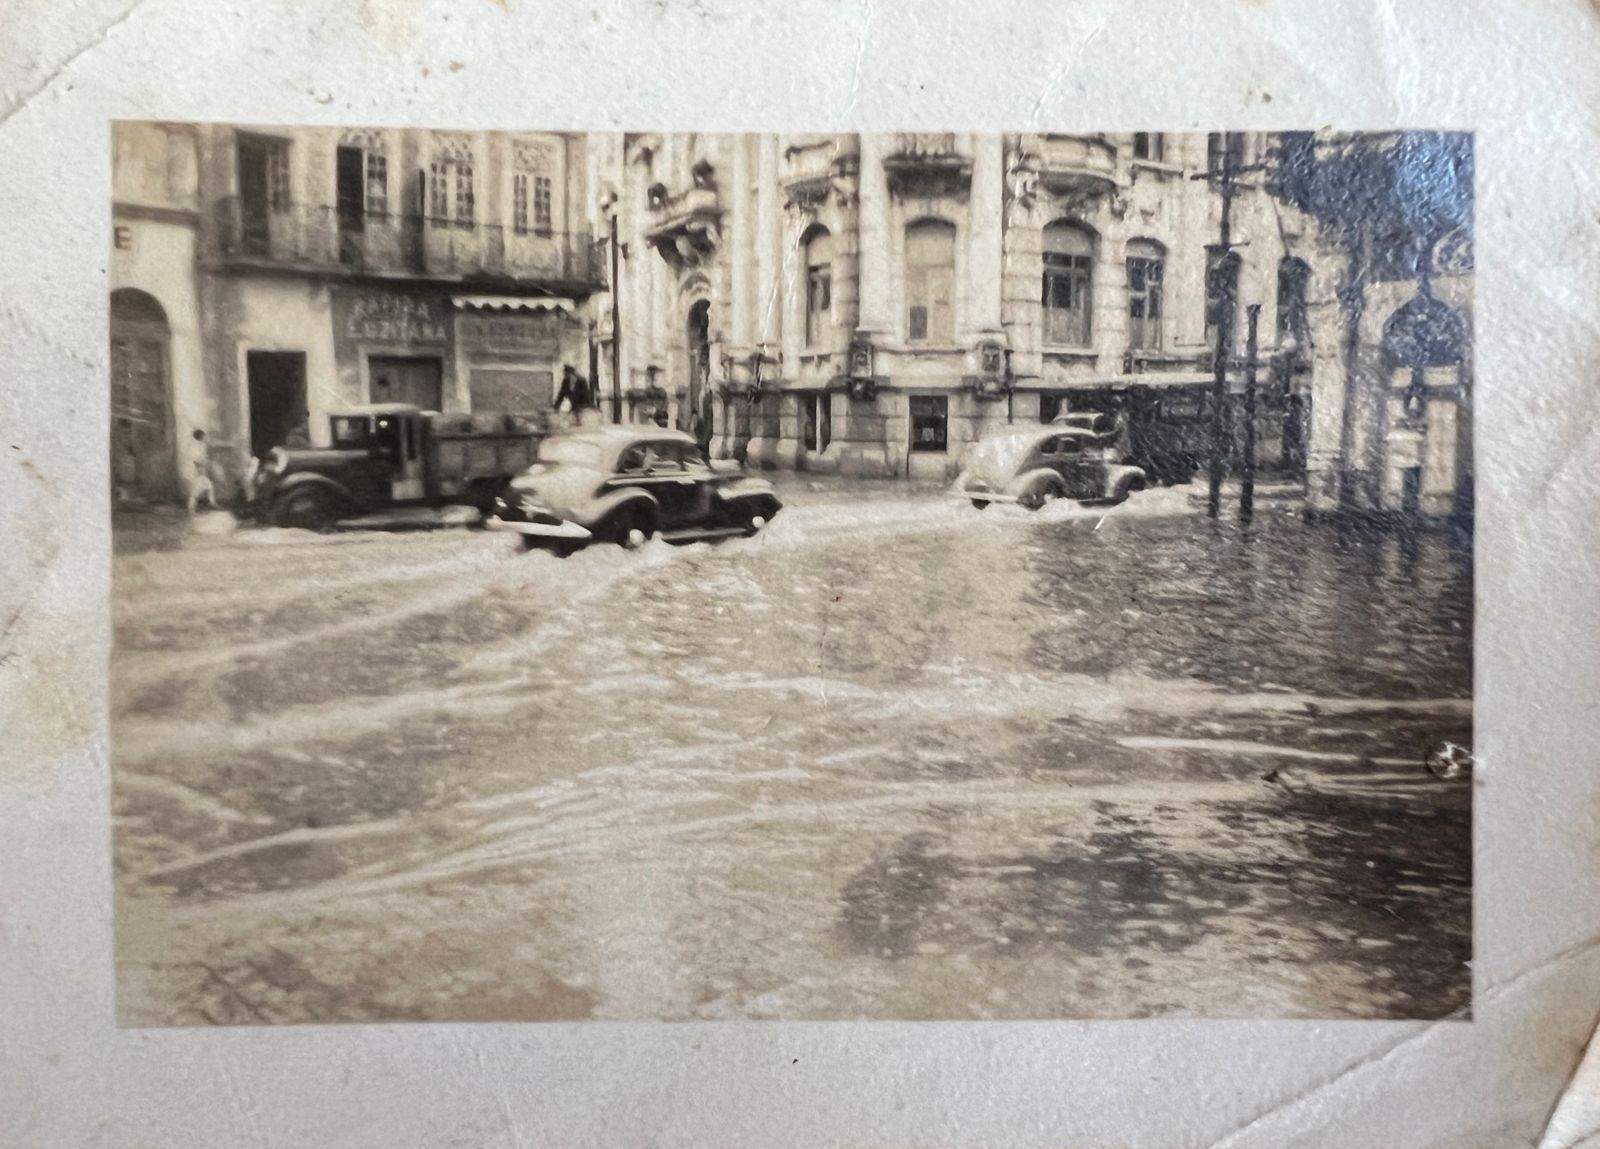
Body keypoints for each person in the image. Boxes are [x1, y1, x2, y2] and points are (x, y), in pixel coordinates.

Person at [185, 428, 217, 514]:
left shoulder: (199, 446)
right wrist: (201, 469)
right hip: (195, 472)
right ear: (201, 437)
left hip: (198, 471)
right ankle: (191, 511)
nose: (206, 438)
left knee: (209, 486)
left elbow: (200, 460)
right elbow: (196, 461)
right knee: (195, 493)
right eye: (204, 436)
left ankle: (212, 504)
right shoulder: (195, 447)